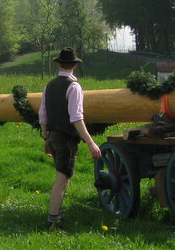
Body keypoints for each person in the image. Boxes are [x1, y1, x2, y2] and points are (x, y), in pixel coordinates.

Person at [38, 47, 102, 231]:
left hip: (53, 136)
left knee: (62, 177)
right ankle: (53, 220)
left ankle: (56, 213)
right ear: (74, 65)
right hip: (66, 139)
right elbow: (76, 118)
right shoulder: (74, 86)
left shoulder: (49, 85)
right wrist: (91, 143)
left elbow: (43, 115)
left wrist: (46, 138)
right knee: (62, 180)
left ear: (59, 64)